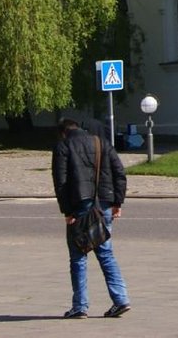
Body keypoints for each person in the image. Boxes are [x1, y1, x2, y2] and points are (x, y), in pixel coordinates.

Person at [52, 117, 132, 319]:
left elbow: (60, 182)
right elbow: (119, 173)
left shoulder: (63, 146)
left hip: (79, 205)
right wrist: (117, 203)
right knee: (106, 253)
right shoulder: (101, 142)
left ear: (63, 132)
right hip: (104, 203)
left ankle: (80, 306)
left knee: (78, 256)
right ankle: (121, 299)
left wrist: (67, 211)